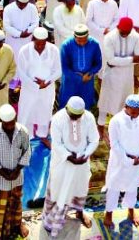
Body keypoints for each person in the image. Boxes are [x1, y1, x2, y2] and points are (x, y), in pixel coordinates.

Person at [41, 96, 99, 237]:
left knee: (79, 188)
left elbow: (94, 139)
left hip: (81, 163)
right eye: (72, 115)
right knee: (58, 191)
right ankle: (51, 221)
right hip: (62, 164)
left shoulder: (89, 118)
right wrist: (68, 156)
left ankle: (79, 213)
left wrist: (85, 154)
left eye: (78, 116)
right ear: (66, 109)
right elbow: (57, 143)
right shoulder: (58, 119)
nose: (75, 118)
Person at [103, 95, 139, 230]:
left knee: (133, 187)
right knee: (114, 187)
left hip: (138, 160)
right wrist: (127, 160)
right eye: (133, 111)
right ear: (126, 107)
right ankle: (109, 213)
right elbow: (114, 144)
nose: (136, 114)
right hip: (119, 160)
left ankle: (130, 210)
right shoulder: (116, 121)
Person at [0, 104, 31, 240]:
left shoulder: (23, 131)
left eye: (12, 123)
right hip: (0, 180)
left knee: (16, 204)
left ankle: (17, 225)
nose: (10, 127)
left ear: (15, 118)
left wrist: (17, 170)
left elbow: (27, 151)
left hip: (17, 178)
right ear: (0, 121)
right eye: (7, 124)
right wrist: (5, 174)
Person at [16, 27, 61, 145]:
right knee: (27, 111)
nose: (40, 46)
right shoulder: (24, 51)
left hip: (47, 88)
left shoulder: (54, 50)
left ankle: (43, 135)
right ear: (33, 39)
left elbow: (58, 70)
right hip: (29, 89)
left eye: (43, 43)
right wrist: (35, 85)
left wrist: (47, 82)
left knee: (45, 111)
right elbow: (21, 72)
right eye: (38, 43)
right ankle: (27, 135)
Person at [98, 17, 139, 131]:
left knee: (123, 101)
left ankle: (119, 127)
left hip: (127, 76)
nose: (124, 35)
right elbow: (111, 60)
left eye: (127, 33)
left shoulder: (136, 37)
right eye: (122, 32)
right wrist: (130, 59)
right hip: (111, 74)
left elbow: (138, 59)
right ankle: (100, 125)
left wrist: (120, 61)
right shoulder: (109, 37)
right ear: (118, 27)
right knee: (105, 102)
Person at [59, 24, 103, 108]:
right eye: (79, 41)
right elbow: (64, 68)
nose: (82, 43)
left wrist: (90, 73)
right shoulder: (66, 45)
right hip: (70, 81)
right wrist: (79, 78)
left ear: (88, 36)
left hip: (88, 81)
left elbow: (98, 64)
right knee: (67, 106)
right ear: (74, 36)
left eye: (84, 40)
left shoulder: (94, 44)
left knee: (85, 106)